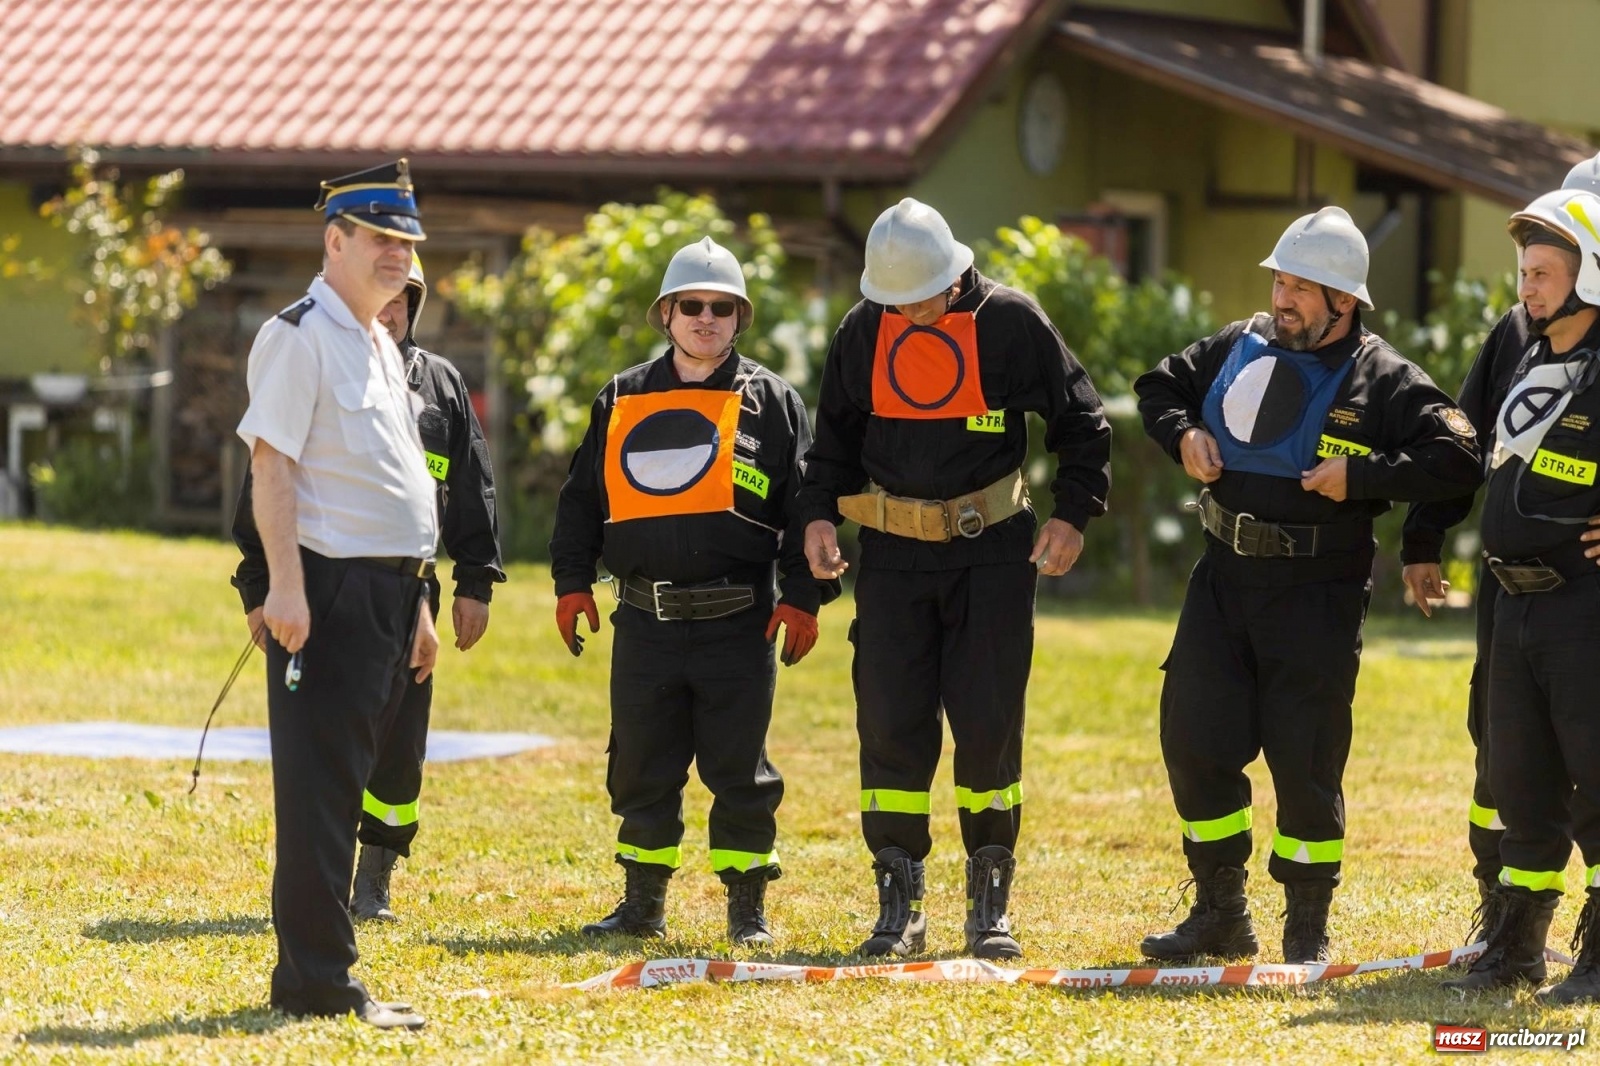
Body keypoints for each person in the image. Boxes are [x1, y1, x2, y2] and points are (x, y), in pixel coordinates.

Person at [1133, 206, 1482, 965]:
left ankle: (1305, 927)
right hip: (1222, 578)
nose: (1283, 298)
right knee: (1194, 739)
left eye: (1301, 288)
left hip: (1317, 592)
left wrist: (1363, 475)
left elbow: (1459, 455)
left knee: (1306, 760)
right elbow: (1157, 387)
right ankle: (1220, 911)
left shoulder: (1383, 377)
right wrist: (1183, 434)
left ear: (1343, 302)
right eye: (1280, 281)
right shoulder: (1238, 341)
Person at [797, 197, 1111, 960]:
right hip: (894, 558)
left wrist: (1073, 514)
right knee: (892, 724)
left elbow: (1082, 422)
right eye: (892, 303)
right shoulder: (864, 327)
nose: (905, 315)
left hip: (992, 553)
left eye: (918, 301)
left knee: (987, 723)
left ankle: (989, 897)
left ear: (953, 278)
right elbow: (833, 435)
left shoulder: (1012, 322)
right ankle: (898, 898)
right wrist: (815, 517)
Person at [549, 237, 836, 946]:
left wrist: (803, 597)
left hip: (739, 622)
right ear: (667, 315)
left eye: (720, 307)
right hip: (643, 619)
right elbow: (581, 500)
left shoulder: (774, 404)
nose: (705, 318)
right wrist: (571, 583)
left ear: (738, 318)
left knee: (740, 769)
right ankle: (642, 906)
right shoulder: (621, 397)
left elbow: (808, 509)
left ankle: (747, 915)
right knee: (642, 763)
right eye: (691, 306)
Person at [233, 251, 505, 923]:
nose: (389, 312)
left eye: (401, 300)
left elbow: (470, 490)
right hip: (325, 586)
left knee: (398, 744)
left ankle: (374, 880)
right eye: (379, 298)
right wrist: (261, 590)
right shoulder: (322, 363)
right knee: (327, 737)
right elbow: (266, 483)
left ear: (414, 304)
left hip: (414, 593)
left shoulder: (439, 385)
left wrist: (474, 581)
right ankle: (317, 885)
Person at [234, 159, 436, 1029]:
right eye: (382, 239)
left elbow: (391, 483)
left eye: (407, 242)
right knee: (320, 794)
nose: (398, 256)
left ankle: (320, 973)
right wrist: (284, 586)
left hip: (391, 595)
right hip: (329, 589)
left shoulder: (379, 343)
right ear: (335, 241)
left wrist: (420, 601)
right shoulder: (299, 335)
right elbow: (271, 464)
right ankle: (319, 982)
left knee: (348, 786)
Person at [1403, 152, 1600, 946]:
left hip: (1584, 600)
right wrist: (1423, 536)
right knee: (1513, 757)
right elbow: (1467, 442)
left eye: (1546, 267)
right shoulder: (1521, 336)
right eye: (1528, 267)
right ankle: (1513, 936)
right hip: (1510, 596)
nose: (1529, 285)